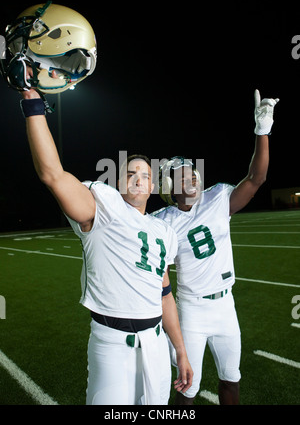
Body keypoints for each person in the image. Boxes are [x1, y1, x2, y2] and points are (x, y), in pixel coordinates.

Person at [16, 81, 193, 405]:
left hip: (156, 344)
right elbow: (52, 175)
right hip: (111, 342)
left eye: (144, 174)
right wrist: (32, 103)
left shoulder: (163, 230)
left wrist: (180, 350)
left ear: (152, 185)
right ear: (117, 182)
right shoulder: (103, 207)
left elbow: (165, 294)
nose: (138, 178)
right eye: (130, 173)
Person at [154, 90, 279, 405]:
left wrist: (262, 131)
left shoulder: (217, 197)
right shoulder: (164, 221)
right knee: (187, 388)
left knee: (231, 380)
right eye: (182, 175)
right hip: (192, 310)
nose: (192, 177)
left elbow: (256, 178)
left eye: (192, 172)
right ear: (170, 187)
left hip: (226, 306)